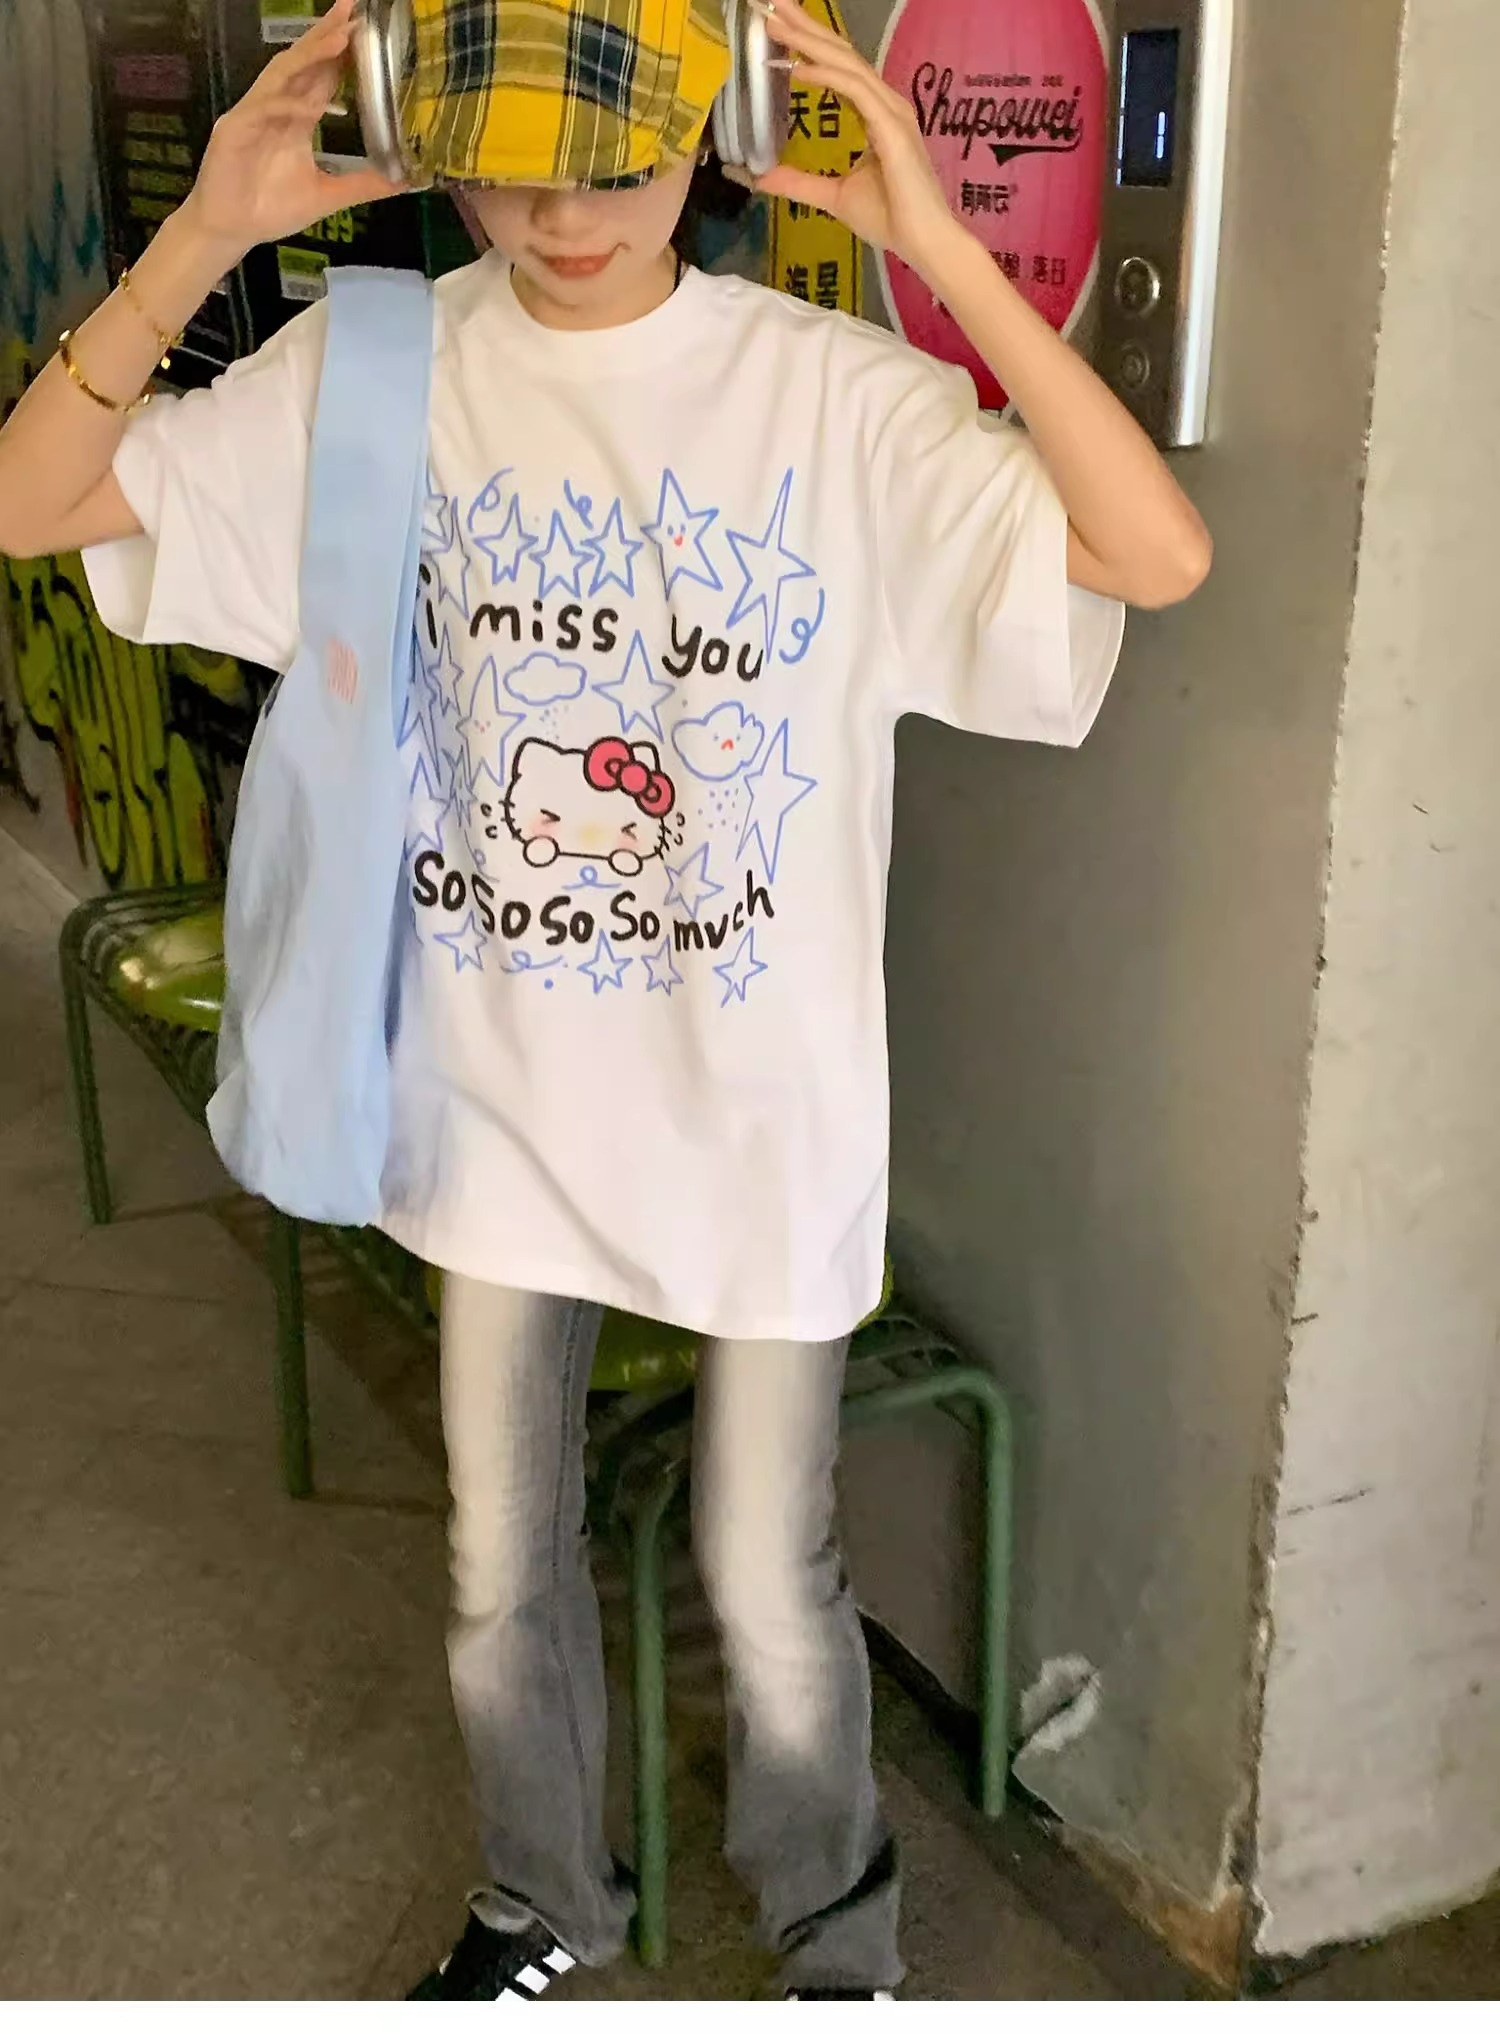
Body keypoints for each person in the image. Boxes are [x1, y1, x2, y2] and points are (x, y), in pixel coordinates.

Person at [0, 0, 1210, 2001]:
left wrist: (939, 246)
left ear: (710, 137)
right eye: (514, 167)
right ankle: (546, 1895)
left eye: (623, 161)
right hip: (495, 1093)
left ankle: (834, 1940)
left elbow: (1148, 552)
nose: (566, 216)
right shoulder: (380, 372)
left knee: (766, 1567)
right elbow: (35, 501)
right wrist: (202, 235)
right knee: (499, 1562)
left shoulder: (830, 398)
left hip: (758, 1115)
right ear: (441, 145)